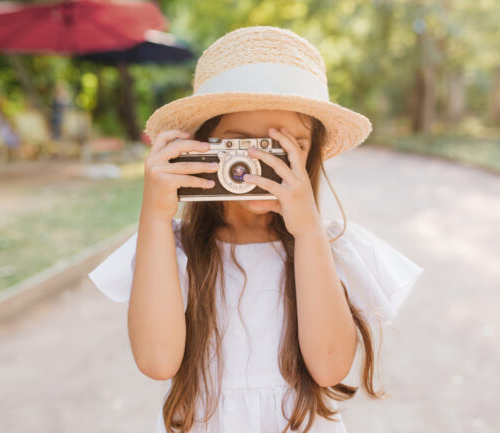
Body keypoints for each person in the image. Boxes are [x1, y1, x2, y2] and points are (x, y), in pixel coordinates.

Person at [88, 26, 424, 433]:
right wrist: (155, 216)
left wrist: (308, 233)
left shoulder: (331, 248)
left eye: (285, 147)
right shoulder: (172, 250)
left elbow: (330, 366)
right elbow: (157, 362)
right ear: (203, 147)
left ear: (311, 153)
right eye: (240, 143)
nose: (260, 166)